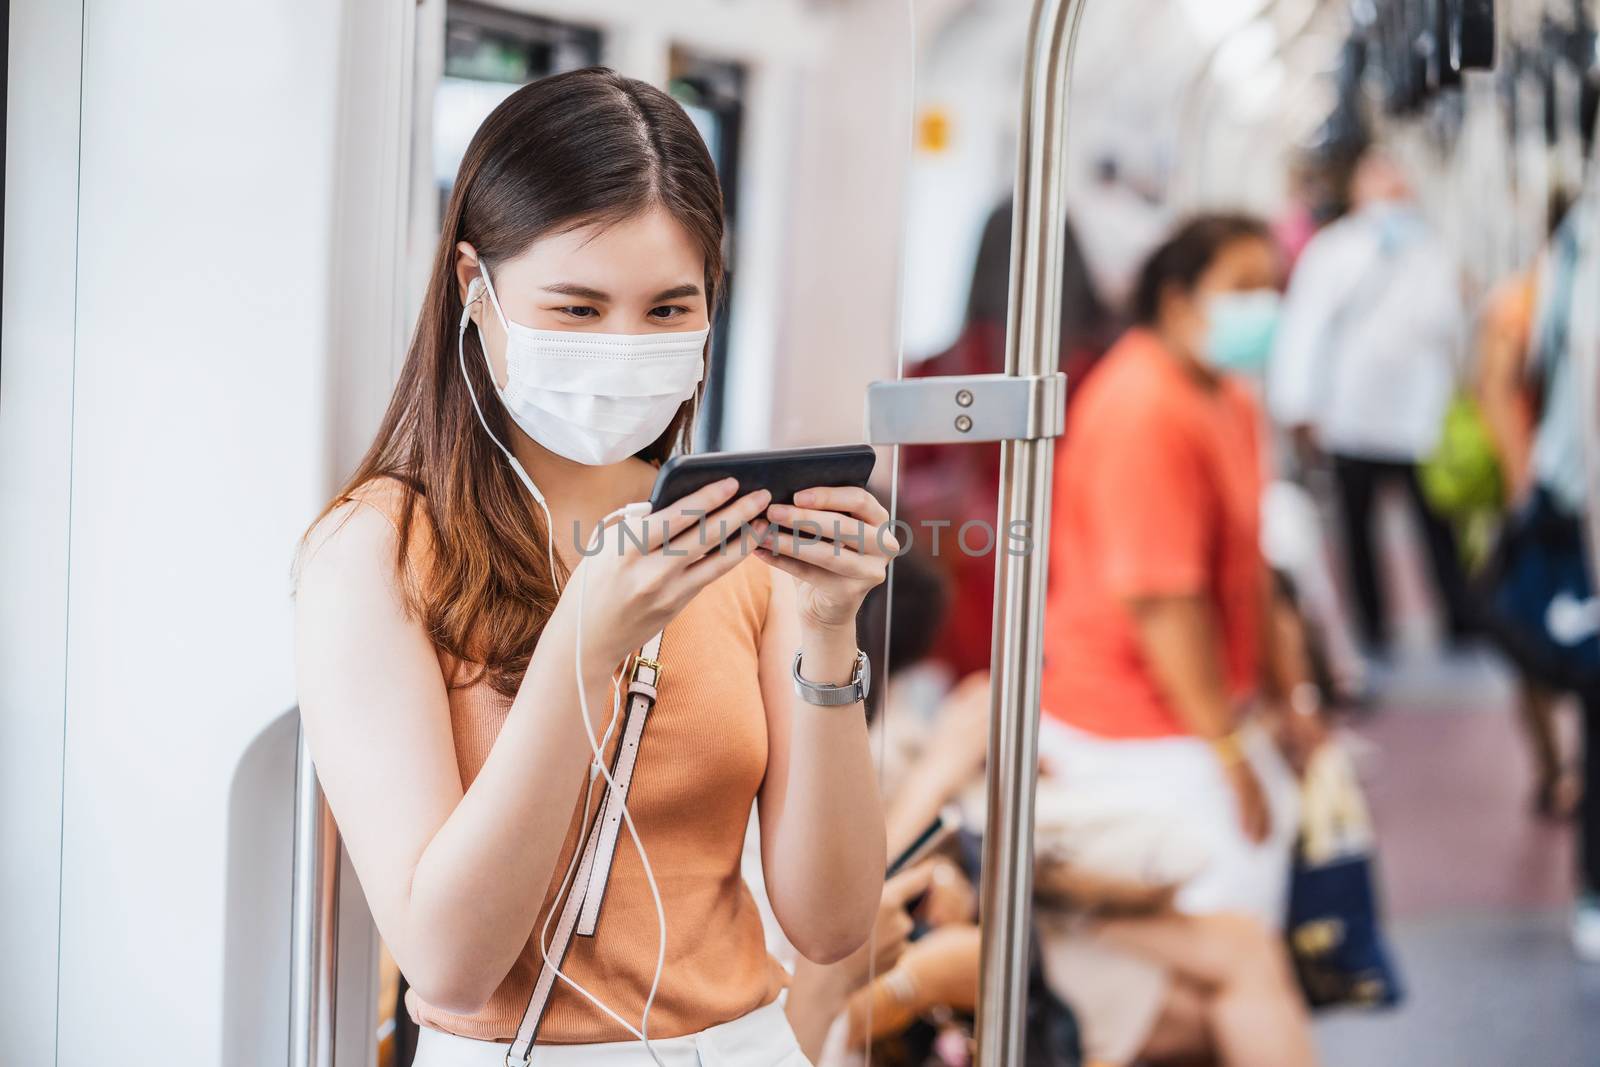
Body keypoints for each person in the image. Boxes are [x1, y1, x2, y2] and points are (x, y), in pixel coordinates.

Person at [291, 68, 893, 1065]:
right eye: (576, 309)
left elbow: (831, 921)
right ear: (473, 291)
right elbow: (448, 961)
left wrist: (829, 636)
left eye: (667, 310)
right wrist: (586, 641)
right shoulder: (379, 552)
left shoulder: (735, 536)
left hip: (745, 1042)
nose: (626, 346)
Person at [1035, 214, 1322, 1065]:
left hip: (1201, 711)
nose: (1262, 305)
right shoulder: (1143, 407)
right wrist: (1229, 751)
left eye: (1270, 285)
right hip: (1132, 728)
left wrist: (1288, 693)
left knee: (1247, 935)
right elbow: (1165, 606)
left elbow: (1250, 567)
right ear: (1176, 296)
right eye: (1240, 287)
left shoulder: (1229, 397)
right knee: (1219, 942)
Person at [1268, 145, 1475, 652]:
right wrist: (1300, 407)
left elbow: (1449, 322)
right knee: (1357, 530)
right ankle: (1373, 628)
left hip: (1420, 414)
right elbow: (1306, 330)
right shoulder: (1333, 250)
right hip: (1352, 415)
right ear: (1358, 189)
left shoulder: (1432, 248)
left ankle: (1460, 619)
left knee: (1437, 524)